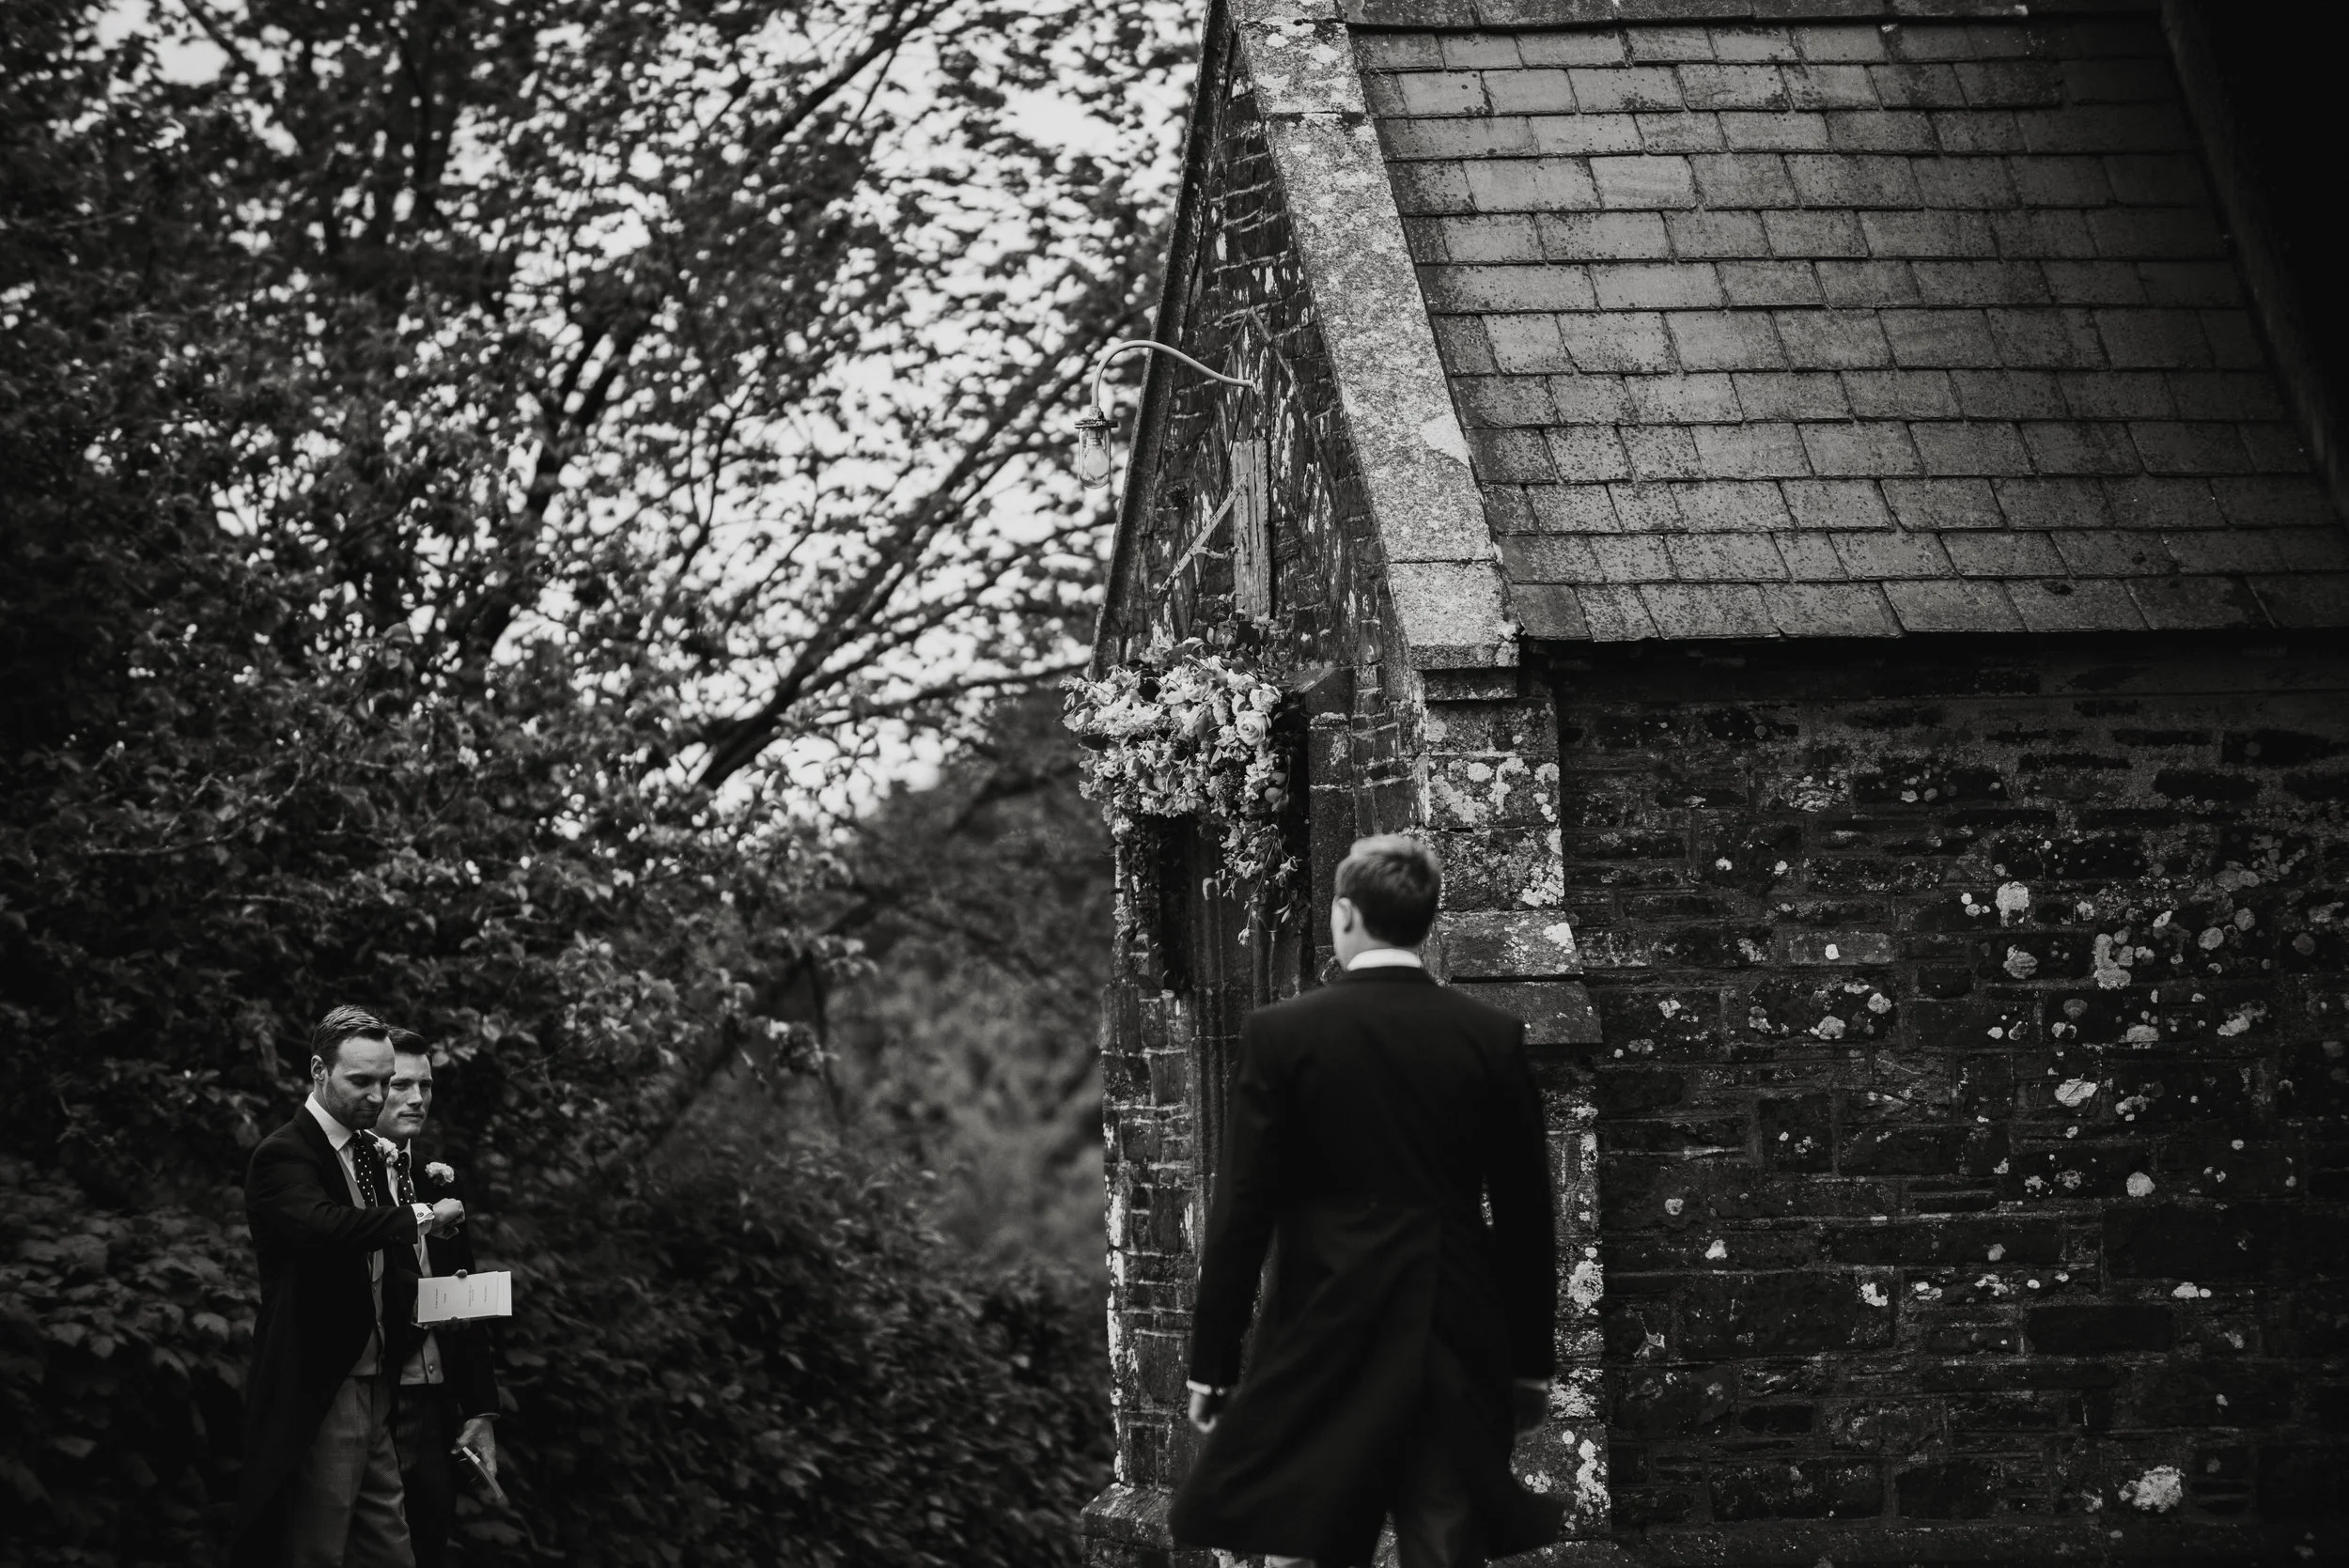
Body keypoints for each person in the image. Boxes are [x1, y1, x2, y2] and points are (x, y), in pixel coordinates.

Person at [1168, 835, 1563, 1568]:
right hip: (1451, 1325)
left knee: (1303, 1539)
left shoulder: (1282, 1035)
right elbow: (1526, 1218)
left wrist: (1213, 1363)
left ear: (1346, 913)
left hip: (1322, 1323)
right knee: (1445, 1539)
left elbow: (1243, 1211)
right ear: (1428, 920)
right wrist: (1531, 1364)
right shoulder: (1488, 1036)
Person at [232, 1007, 465, 1568]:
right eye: (361, 1081)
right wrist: (422, 1216)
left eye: (385, 1082)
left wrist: (445, 1296)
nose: (378, 1095)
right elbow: (326, 1228)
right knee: (322, 1539)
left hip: (380, 1373)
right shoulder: (286, 1152)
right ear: (318, 1071)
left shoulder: (368, 1149)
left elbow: (388, 1267)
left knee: (389, 1542)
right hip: (325, 1376)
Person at [374, 1035, 502, 1568]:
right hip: (375, 1395)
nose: (417, 1098)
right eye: (400, 1084)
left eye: (425, 1084)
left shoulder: (435, 1176)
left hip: (435, 1402)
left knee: (429, 1542)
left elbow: (464, 1301)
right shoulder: (345, 1182)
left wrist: (481, 1409)